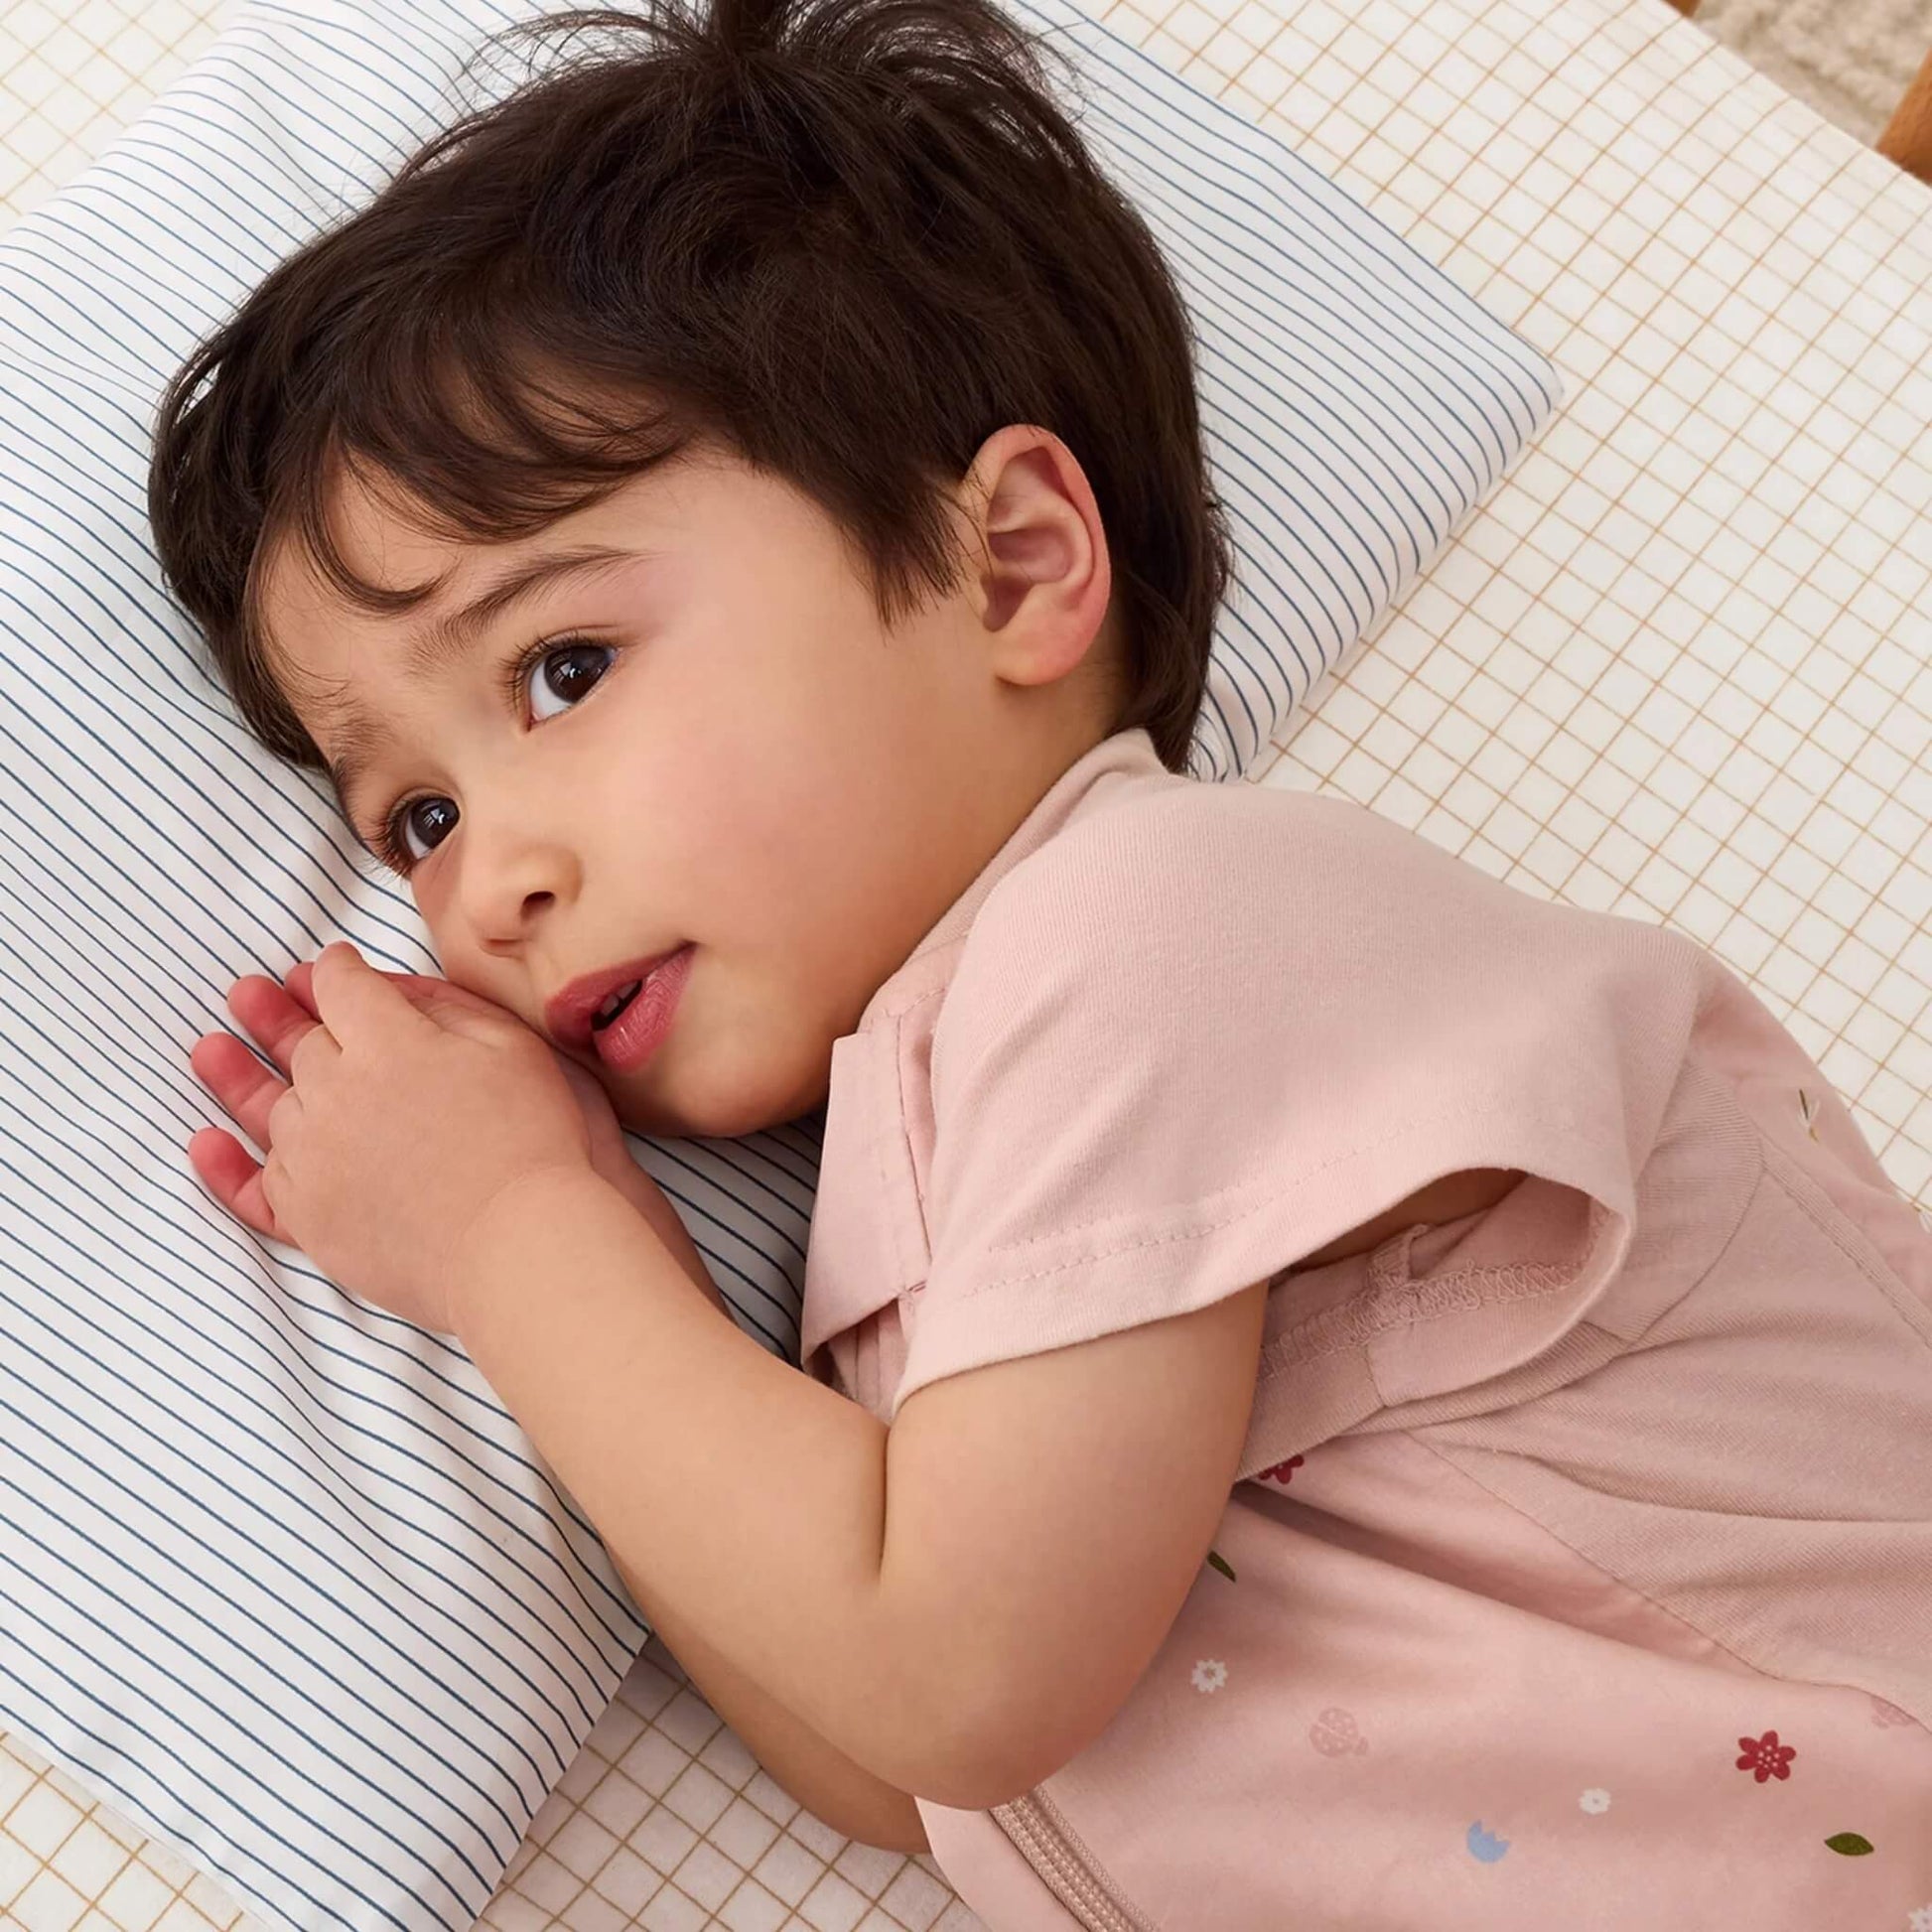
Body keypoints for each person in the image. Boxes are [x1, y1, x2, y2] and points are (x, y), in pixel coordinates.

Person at [147, 0, 1932, 1922]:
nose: (484, 874)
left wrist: (513, 1237)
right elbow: (899, 1762)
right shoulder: (912, 1193)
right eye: (411, 819)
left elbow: (955, 1676)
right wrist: (608, 1252)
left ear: (1007, 565)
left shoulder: (1161, 926)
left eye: (562, 669)